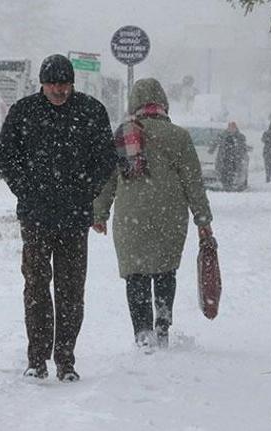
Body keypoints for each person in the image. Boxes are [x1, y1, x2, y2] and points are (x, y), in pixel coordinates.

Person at [0, 54, 116, 382]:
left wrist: (86, 189)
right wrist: (24, 188)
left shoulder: (90, 111)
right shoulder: (24, 112)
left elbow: (106, 157)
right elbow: (5, 152)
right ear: (42, 84)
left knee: (71, 290)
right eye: (53, 84)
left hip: (75, 218)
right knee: (36, 286)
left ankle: (65, 359)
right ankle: (37, 358)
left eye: (64, 84)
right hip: (35, 216)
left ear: (72, 83)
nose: (59, 90)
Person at [92, 78, 214, 353]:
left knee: (135, 275)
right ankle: (162, 325)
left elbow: (107, 180)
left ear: (133, 103)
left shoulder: (123, 134)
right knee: (164, 272)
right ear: (163, 103)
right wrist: (203, 220)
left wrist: (99, 213)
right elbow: (193, 182)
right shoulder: (179, 136)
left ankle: (142, 332)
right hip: (169, 216)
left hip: (130, 217)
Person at [209, 121, 248, 191]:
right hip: (223, 158)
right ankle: (225, 185)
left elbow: (243, 147)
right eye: (230, 127)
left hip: (235, 159)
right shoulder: (222, 135)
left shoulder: (240, 137)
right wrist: (211, 150)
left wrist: (242, 154)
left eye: (233, 127)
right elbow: (215, 142)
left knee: (233, 173)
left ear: (236, 128)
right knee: (222, 172)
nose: (231, 129)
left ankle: (230, 186)